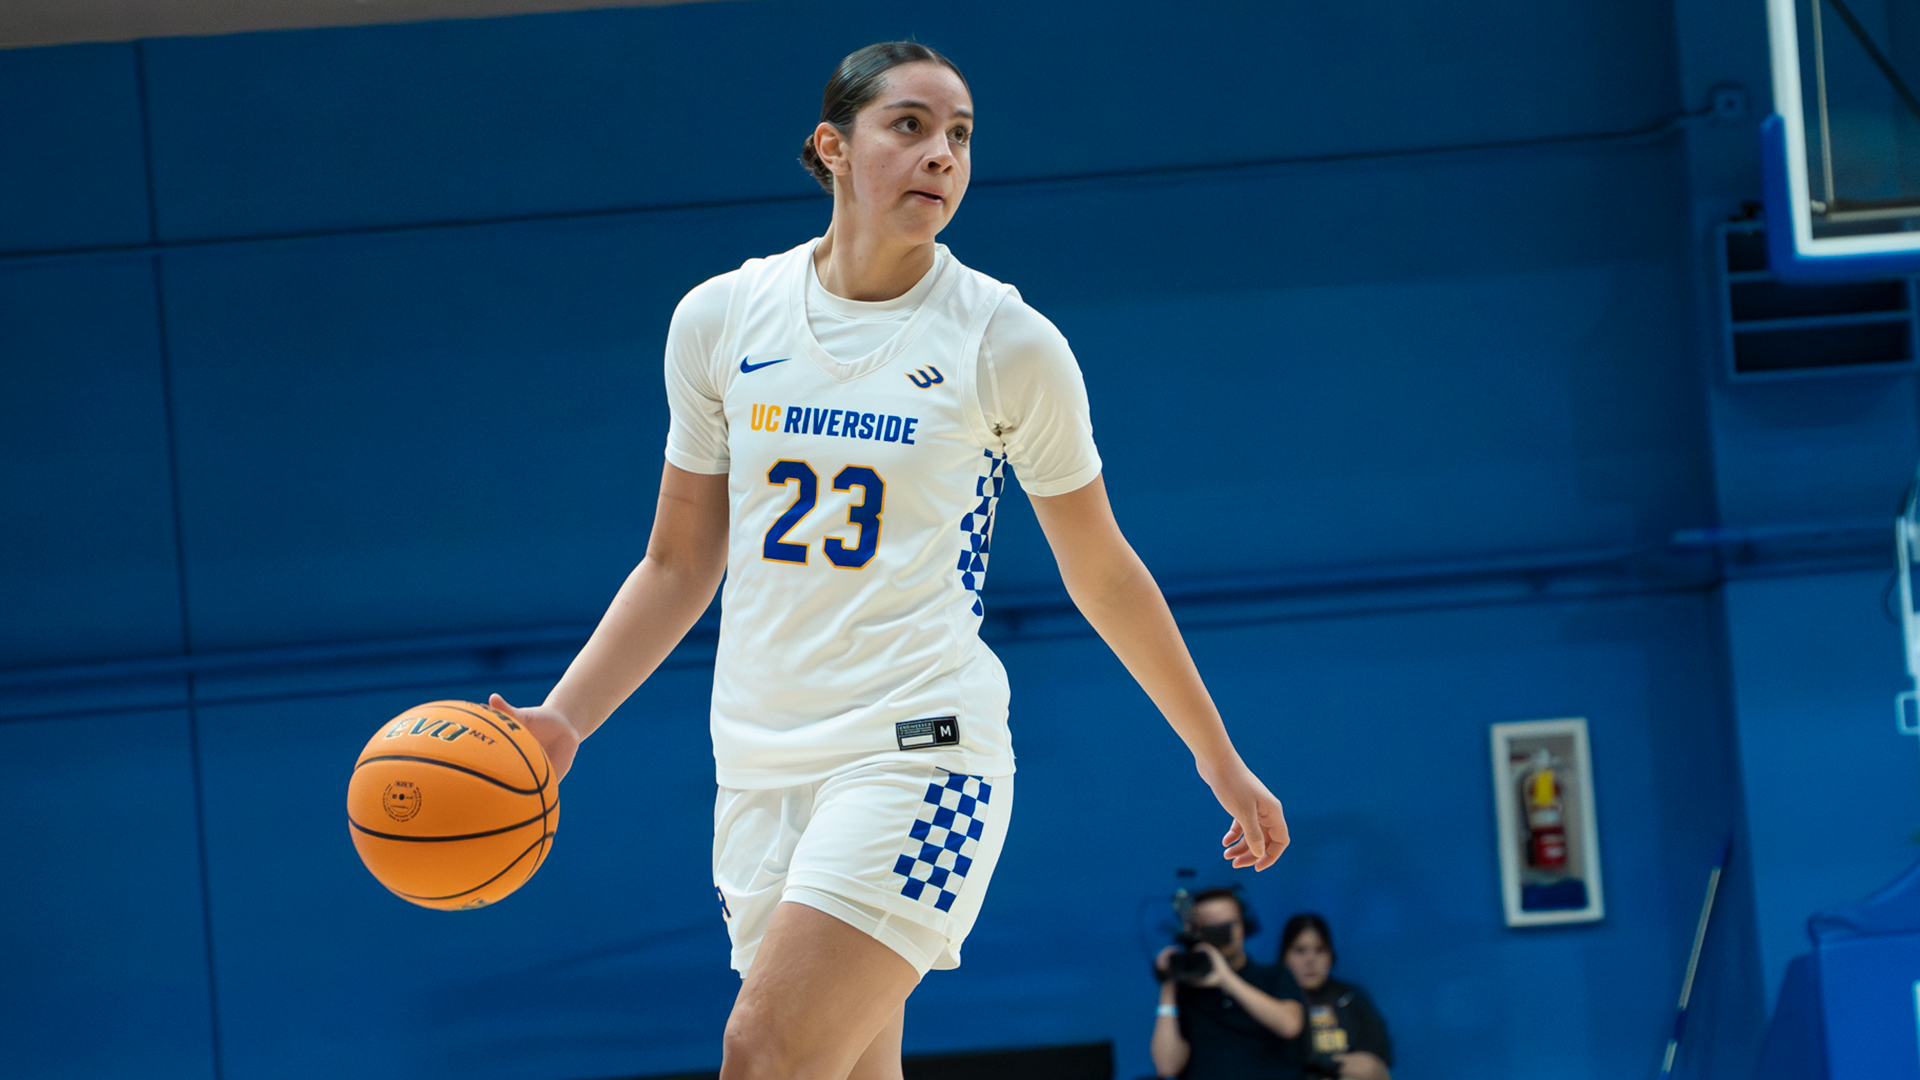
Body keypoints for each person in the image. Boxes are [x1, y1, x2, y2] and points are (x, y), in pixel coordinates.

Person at [488, 40, 1290, 1080]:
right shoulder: (723, 319)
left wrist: (1216, 757)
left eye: (959, 136)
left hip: (923, 757)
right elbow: (679, 562)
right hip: (762, 766)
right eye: (909, 125)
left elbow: (1103, 569)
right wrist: (565, 720)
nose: (941, 155)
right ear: (832, 146)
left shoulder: (1004, 342)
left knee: (765, 1052)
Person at [1152, 888, 1306, 1079]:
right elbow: (1167, 1067)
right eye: (1210, 928)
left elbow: (1290, 1025)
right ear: (1195, 932)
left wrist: (1225, 979)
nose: (1220, 935)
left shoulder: (1273, 976)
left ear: (1244, 925)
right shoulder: (1187, 992)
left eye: (1227, 926)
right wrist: (1169, 984)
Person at [1278, 915, 1393, 1080]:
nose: (1310, 960)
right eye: (1300, 950)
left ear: (1331, 956)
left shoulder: (1350, 998)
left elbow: (1376, 1062)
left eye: (1319, 950)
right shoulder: (1273, 1003)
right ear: (1284, 957)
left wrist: (1323, 1064)